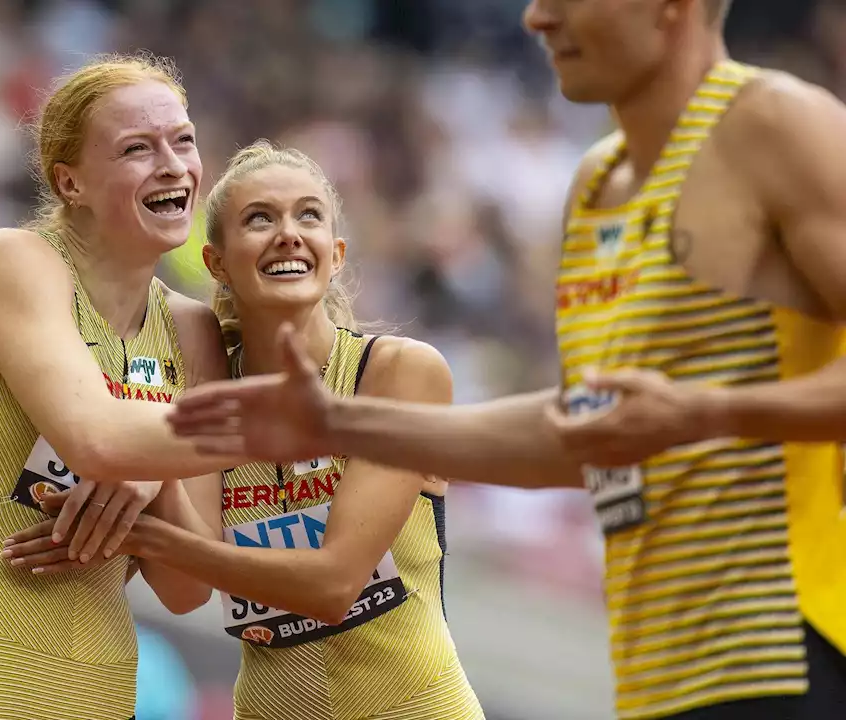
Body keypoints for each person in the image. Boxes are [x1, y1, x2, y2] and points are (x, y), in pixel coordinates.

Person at [167, 1, 846, 719]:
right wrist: (339, 423)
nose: (535, 18)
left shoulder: (773, 123)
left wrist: (708, 411)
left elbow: (659, 422)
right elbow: (582, 433)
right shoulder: (595, 186)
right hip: (658, 669)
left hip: (783, 645)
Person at [0, 141, 485, 720]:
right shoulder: (196, 390)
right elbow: (182, 586)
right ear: (216, 263)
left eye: (308, 215)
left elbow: (332, 587)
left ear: (335, 254)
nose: (288, 233)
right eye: (260, 219)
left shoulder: (400, 372)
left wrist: (149, 526)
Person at [0, 54, 244, 720]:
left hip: (97, 689)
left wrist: (160, 481)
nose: (173, 164)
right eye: (136, 149)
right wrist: (146, 465)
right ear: (72, 182)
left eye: (182, 140)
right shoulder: (17, 261)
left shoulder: (194, 332)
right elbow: (92, 437)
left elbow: (186, 587)